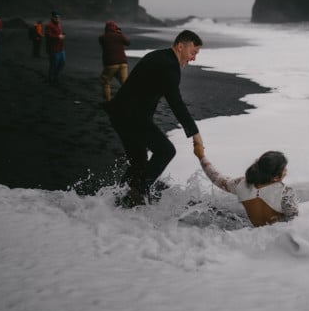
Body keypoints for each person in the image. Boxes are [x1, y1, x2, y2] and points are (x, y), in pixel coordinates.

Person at [104, 29, 204, 207]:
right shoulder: (170, 66)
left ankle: (119, 199)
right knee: (166, 151)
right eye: (193, 52)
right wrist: (195, 135)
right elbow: (176, 103)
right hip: (131, 116)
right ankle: (137, 192)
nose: (193, 58)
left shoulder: (159, 56)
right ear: (180, 47)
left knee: (138, 161)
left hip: (121, 113)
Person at [193, 144, 298, 227]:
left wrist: (201, 156)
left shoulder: (241, 185)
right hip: (276, 240)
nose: (286, 171)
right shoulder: (284, 192)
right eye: (284, 169)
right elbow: (295, 223)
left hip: (252, 235)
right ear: (275, 177)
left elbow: (217, 178)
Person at [98, 20, 130, 102]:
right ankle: (129, 100)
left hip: (110, 63)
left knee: (105, 81)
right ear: (115, 28)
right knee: (124, 83)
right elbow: (128, 42)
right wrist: (120, 33)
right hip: (123, 63)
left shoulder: (102, 38)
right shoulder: (119, 36)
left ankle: (108, 101)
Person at [45, 11, 66, 84]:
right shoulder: (49, 25)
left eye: (59, 17)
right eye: (56, 17)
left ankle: (56, 76)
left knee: (62, 63)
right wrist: (58, 37)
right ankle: (51, 79)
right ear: (52, 17)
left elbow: (58, 34)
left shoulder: (59, 25)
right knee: (54, 65)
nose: (58, 19)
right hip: (53, 49)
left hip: (61, 48)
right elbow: (48, 36)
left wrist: (62, 36)